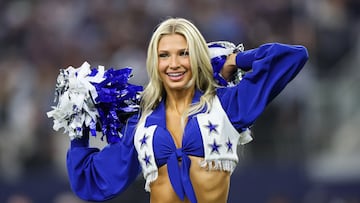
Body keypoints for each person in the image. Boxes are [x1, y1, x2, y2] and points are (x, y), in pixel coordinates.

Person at [66, 17, 308, 203]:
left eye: (184, 53)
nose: (174, 64)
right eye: (164, 55)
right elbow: (94, 180)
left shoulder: (226, 105)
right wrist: (78, 126)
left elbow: (291, 57)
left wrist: (234, 59)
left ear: (197, 57)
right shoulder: (141, 120)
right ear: (155, 61)